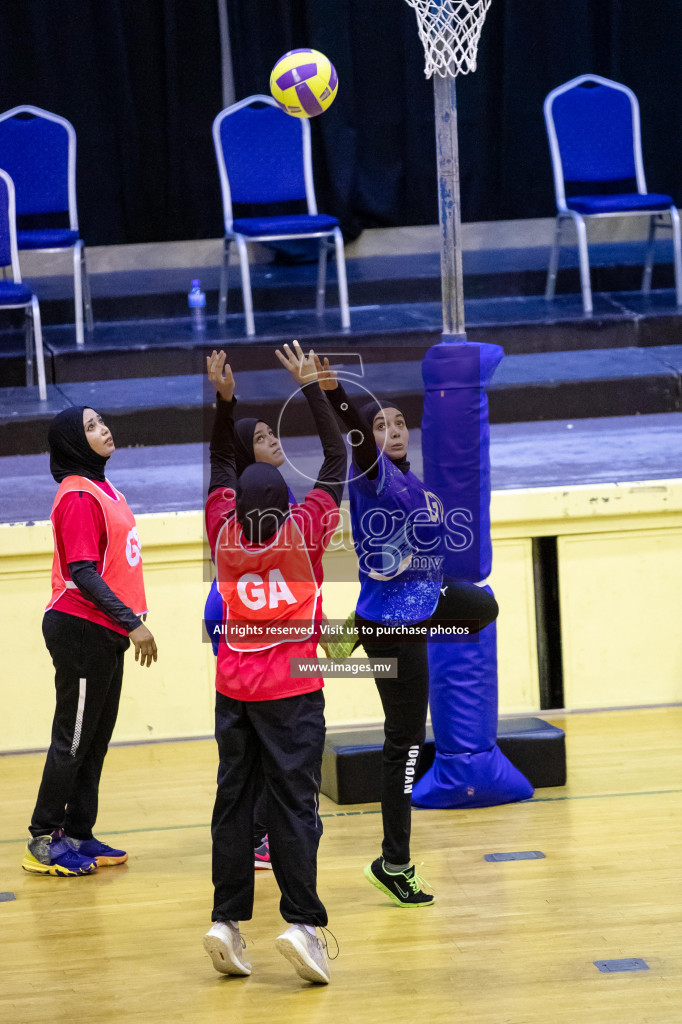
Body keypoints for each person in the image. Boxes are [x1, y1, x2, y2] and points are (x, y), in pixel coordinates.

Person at [318, 363, 498, 908]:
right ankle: (394, 863)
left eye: (399, 422)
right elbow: (355, 437)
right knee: (404, 744)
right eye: (382, 425)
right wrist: (335, 395)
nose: (393, 430)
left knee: (483, 605)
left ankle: (350, 632)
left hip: (405, 613)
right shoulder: (374, 475)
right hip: (394, 630)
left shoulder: (413, 481)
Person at [202, 343, 345, 985]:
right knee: (294, 805)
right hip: (291, 695)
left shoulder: (222, 534)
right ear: (284, 502)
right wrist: (313, 387)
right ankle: (304, 924)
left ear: (237, 503)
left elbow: (219, 463)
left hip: (233, 694)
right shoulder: (306, 532)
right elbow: (338, 458)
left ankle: (226, 923)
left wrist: (224, 403)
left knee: (234, 804)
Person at [22, 407, 157, 878]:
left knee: (94, 740)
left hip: (105, 631)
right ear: (73, 444)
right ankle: (43, 837)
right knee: (74, 739)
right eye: (91, 427)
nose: (104, 430)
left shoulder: (105, 489)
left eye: (101, 421)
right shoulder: (78, 494)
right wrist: (132, 623)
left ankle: (78, 831)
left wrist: (124, 624)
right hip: (80, 628)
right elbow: (82, 573)